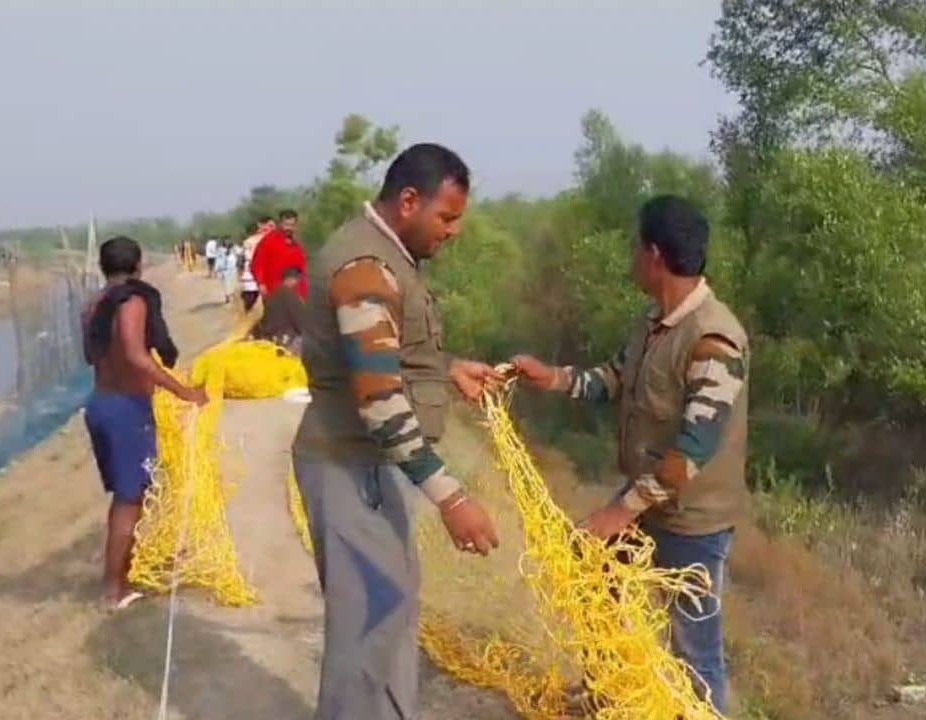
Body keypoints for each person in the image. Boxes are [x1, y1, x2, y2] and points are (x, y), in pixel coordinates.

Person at [511, 195, 749, 715]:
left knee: (695, 647)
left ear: (655, 254)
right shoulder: (652, 323)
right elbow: (613, 379)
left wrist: (618, 512)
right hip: (649, 499)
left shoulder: (714, 336)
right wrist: (550, 378)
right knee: (589, 571)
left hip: (693, 519)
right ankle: (613, 693)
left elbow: (693, 450)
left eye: (635, 247)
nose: (631, 257)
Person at [293, 143, 502, 720]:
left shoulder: (383, 259)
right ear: (408, 201)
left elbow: (383, 353)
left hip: (366, 466)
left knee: (390, 612)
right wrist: (451, 496)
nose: (454, 231)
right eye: (447, 217)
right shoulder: (365, 269)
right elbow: (379, 401)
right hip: (348, 465)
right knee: (367, 628)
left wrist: (444, 368)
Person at [81, 235, 209, 611]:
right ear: (138, 267)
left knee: (127, 497)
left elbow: (97, 355)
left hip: (101, 404)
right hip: (125, 410)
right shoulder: (132, 301)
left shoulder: (95, 304)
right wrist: (183, 391)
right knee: (129, 500)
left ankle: (119, 579)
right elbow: (137, 356)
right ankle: (114, 592)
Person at [250, 208, 308, 300]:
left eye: (292, 225)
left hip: (294, 294)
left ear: (296, 226)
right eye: (286, 224)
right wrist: (261, 284)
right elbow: (257, 264)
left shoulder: (297, 247)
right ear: (280, 224)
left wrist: (302, 293)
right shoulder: (268, 241)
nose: (289, 228)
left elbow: (302, 270)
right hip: (273, 292)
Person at [251, 265, 304, 352]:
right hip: (285, 338)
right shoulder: (290, 295)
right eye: (297, 280)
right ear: (292, 279)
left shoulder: (274, 293)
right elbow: (300, 322)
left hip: (269, 335)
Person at [240, 217, 271, 312]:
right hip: (253, 276)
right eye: (269, 226)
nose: (271, 228)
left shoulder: (248, 241)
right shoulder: (256, 241)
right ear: (260, 226)